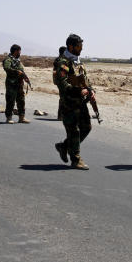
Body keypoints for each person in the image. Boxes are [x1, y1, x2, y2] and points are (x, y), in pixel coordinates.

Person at [54, 34, 94, 169]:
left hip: (80, 102)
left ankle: (64, 146)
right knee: (74, 131)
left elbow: (85, 80)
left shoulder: (77, 61)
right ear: (70, 46)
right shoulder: (63, 62)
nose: (81, 49)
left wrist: (90, 90)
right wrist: (78, 91)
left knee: (86, 128)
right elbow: (62, 83)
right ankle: (76, 160)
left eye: (81, 46)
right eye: (79, 46)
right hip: (69, 102)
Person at [2, 44, 31, 124]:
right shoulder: (8, 60)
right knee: (10, 101)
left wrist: (25, 77)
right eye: (19, 51)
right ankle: (9, 118)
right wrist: (16, 72)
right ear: (15, 51)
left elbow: (22, 71)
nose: (20, 53)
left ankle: (21, 117)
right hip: (11, 83)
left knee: (21, 100)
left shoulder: (17, 60)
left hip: (19, 84)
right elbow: (7, 68)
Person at [52, 46, 67, 121]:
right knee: (63, 98)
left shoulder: (59, 59)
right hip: (61, 81)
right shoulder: (60, 60)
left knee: (64, 97)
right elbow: (64, 68)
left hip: (61, 80)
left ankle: (62, 115)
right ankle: (60, 116)